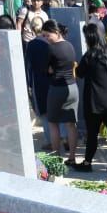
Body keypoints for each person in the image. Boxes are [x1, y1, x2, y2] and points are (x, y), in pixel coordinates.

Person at [74, 22, 107, 174]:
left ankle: (87, 162)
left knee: (92, 133)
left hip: (93, 101)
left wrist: (74, 66)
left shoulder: (89, 55)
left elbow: (79, 73)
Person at [40, 19, 78, 164]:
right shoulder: (70, 45)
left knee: (53, 122)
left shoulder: (51, 49)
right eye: (44, 36)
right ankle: (72, 157)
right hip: (73, 87)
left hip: (57, 89)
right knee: (70, 123)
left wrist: (50, 69)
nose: (46, 39)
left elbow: (46, 69)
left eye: (47, 35)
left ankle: (56, 158)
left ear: (56, 33)